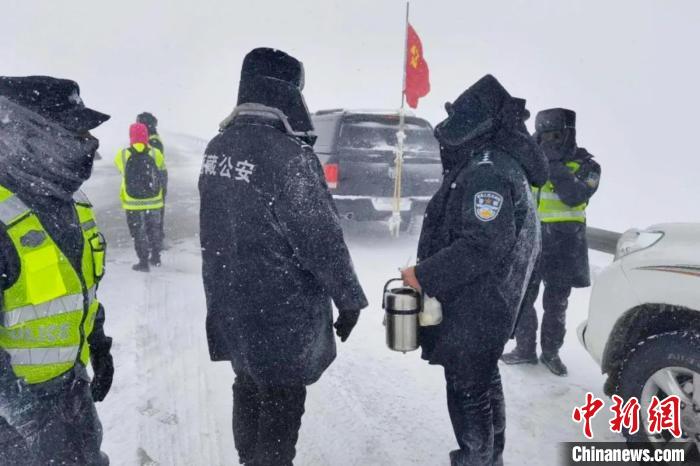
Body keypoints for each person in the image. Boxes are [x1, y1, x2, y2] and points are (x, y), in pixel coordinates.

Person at [199, 48, 368, 466]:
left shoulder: (218, 146)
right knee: (280, 401)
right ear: (287, 93)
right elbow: (322, 240)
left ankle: (247, 459)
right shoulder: (288, 157)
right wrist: (348, 299)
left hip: (231, 301)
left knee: (247, 383)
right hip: (279, 313)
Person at [401, 75, 548, 466]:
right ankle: (489, 456)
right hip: (490, 301)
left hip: (479, 304)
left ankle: (477, 459)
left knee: (468, 388)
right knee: (482, 382)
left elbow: (483, 244)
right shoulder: (497, 160)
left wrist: (423, 274)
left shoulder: (488, 169)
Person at [0, 76, 114, 465]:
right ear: (31, 132)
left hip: (71, 390)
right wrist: (19, 410)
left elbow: (79, 285)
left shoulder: (70, 203)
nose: (88, 141)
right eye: (74, 128)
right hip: (14, 424)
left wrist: (98, 341)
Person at [501, 108, 600, 376]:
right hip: (532, 241)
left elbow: (574, 196)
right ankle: (524, 350)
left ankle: (551, 353)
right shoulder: (532, 161)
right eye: (544, 135)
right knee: (523, 299)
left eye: (555, 134)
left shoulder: (587, 165)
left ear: (569, 133)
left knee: (556, 304)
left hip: (565, 246)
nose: (549, 141)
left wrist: (552, 166)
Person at [115, 122, 166, 271]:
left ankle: (143, 261)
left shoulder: (123, 154)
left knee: (138, 232)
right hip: (154, 201)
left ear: (131, 136)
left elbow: (121, 169)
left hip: (133, 203)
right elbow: (161, 171)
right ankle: (156, 257)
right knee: (154, 229)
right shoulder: (156, 153)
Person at [136, 112, 168, 242]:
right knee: (155, 210)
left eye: (138, 122)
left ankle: (157, 240)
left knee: (155, 210)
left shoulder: (153, 140)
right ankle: (156, 237)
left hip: (156, 178)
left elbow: (152, 163)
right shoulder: (151, 138)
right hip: (156, 177)